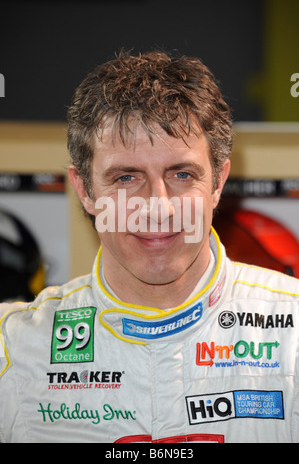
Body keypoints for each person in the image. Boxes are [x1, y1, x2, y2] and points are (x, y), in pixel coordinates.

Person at [0, 50, 299, 444]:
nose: (157, 206)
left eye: (181, 174)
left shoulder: (292, 334)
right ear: (85, 190)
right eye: (126, 177)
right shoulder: (14, 348)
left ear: (218, 183)